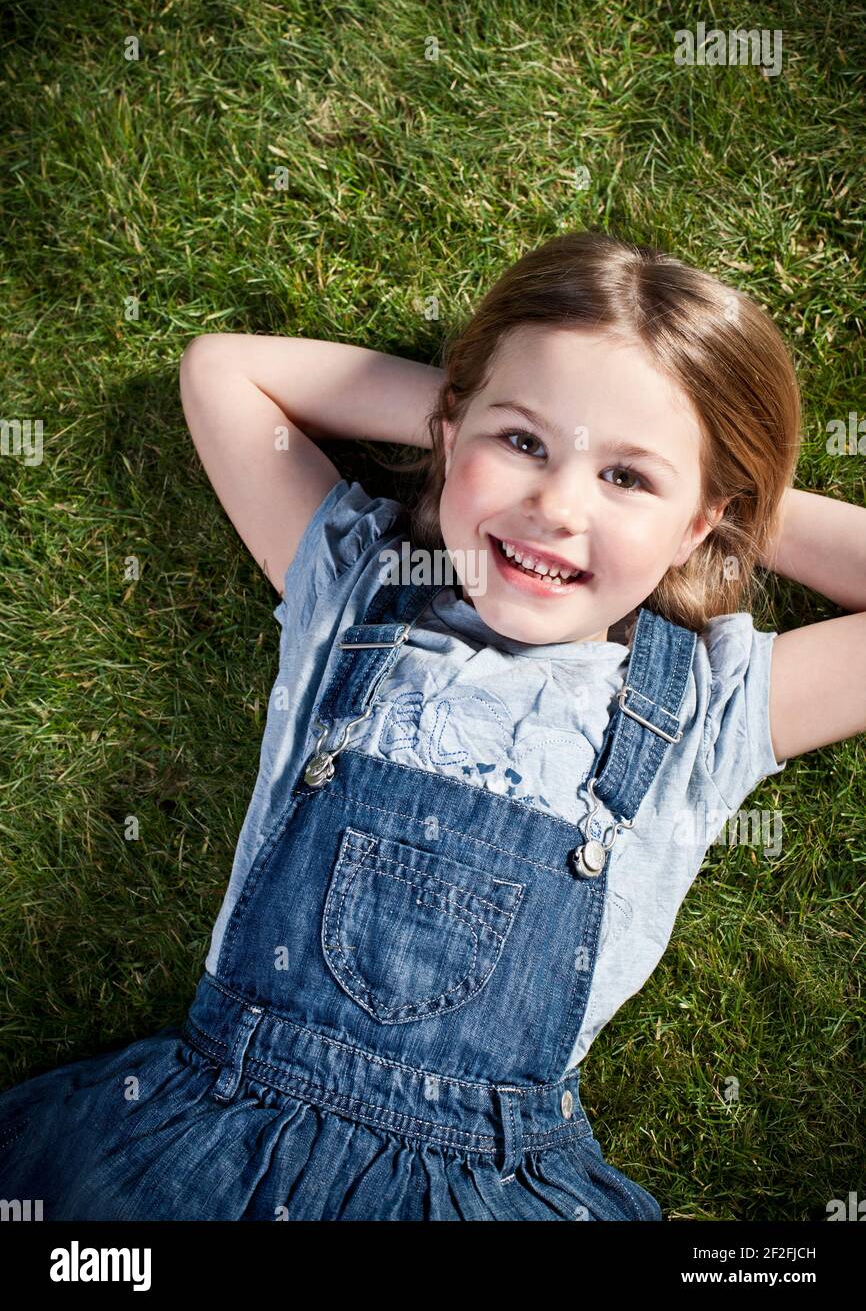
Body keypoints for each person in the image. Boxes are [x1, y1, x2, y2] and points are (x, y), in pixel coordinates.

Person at [1, 230, 864, 1221]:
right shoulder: (352, 590)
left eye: (626, 479)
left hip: (483, 1187)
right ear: (446, 438)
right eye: (523, 443)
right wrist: (493, 411)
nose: (554, 504)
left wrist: (729, 489)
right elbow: (222, 372)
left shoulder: (706, 706)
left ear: (698, 524)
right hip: (213, 1136)